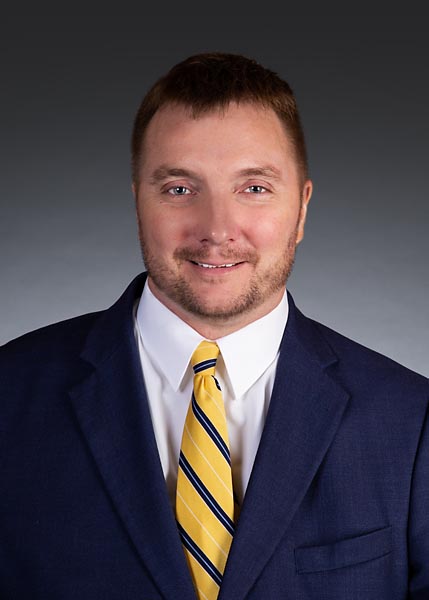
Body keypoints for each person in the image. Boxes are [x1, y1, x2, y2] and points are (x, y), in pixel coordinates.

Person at [0, 53, 427, 600]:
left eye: (254, 188)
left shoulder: (412, 423)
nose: (217, 229)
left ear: (301, 209)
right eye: (180, 189)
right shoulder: (9, 396)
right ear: (138, 202)